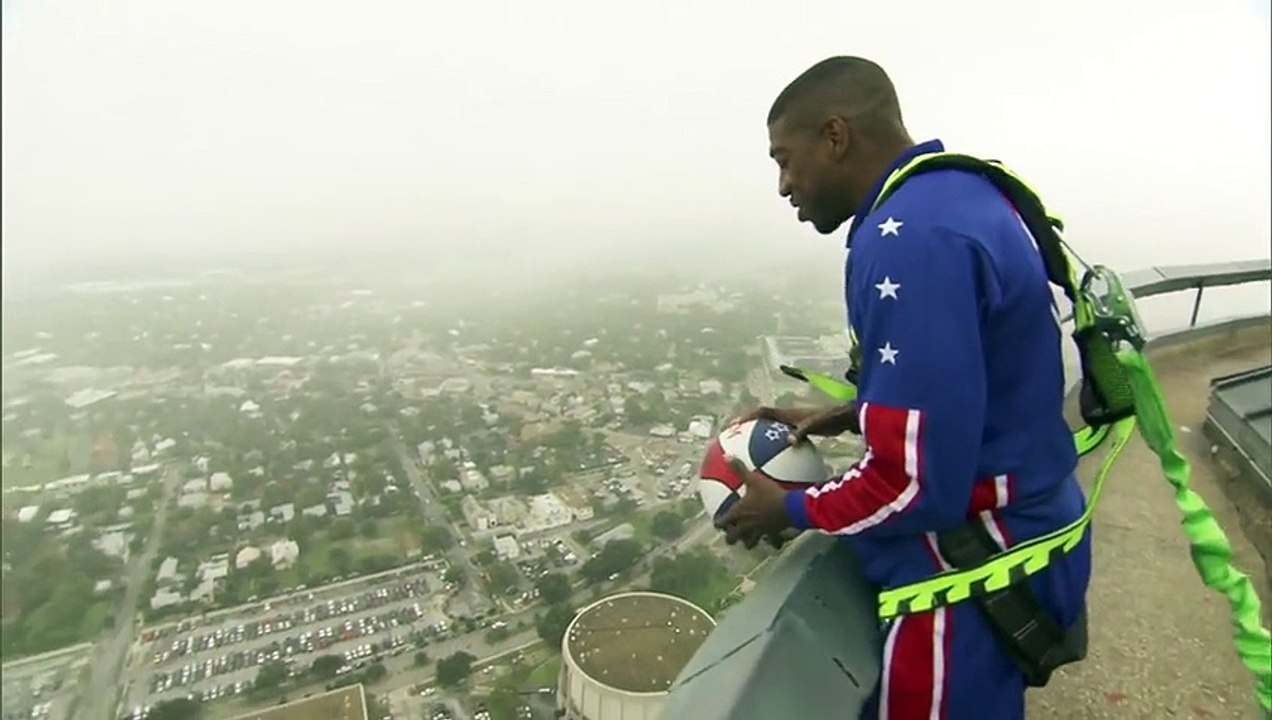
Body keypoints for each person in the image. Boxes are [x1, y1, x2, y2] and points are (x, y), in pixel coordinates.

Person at [717, 56, 1092, 720]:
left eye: (785, 159)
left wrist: (789, 509)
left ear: (835, 136)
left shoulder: (908, 241)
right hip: (1033, 538)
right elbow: (982, 387)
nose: (783, 186)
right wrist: (860, 412)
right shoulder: (960, 196)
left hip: (970, 578)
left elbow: (915, 484)